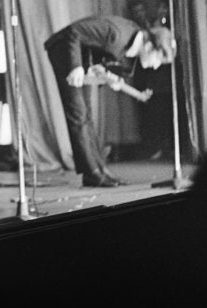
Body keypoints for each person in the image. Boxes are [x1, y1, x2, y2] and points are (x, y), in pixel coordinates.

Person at [44, 14, 174, 187]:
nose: (156, 66)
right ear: (149, 46)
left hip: (84, 55)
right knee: (78, 114)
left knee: (86, 115)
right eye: (158, 59)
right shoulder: (116, 33)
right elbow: (74, 32)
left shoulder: (132, 41)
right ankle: (92, 173)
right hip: (65, 48)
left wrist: (108, 75)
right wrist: (76, 67)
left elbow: (103, 53)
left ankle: (100, 170)